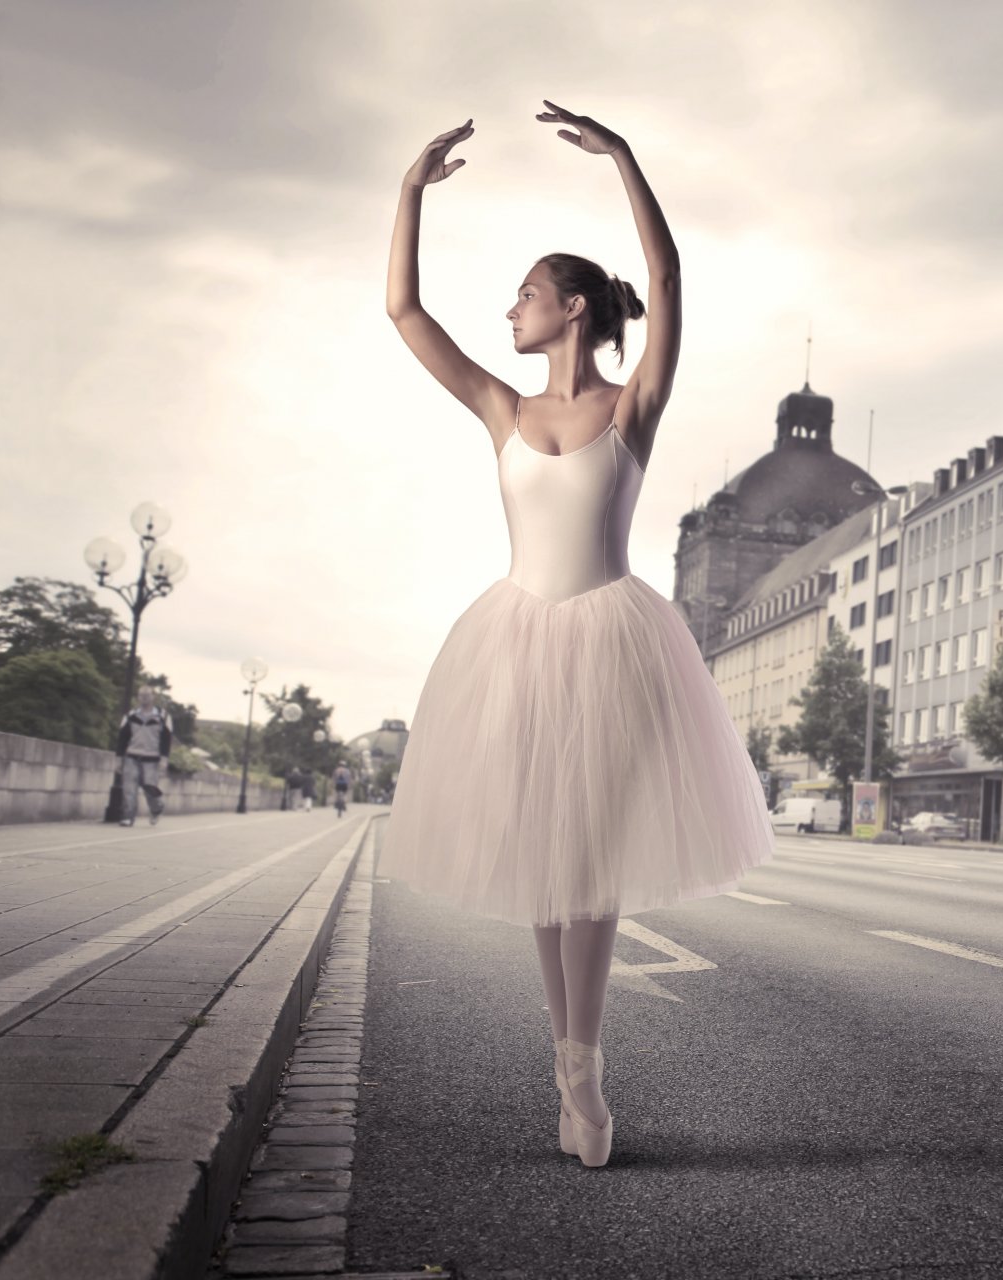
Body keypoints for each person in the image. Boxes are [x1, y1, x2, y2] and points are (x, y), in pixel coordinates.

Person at [378, 103, 776, 1169]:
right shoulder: (502, 409)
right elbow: (404, 312)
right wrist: (410, 191)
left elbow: (674, 276)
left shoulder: (632, 405)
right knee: (548, 866)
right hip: (514, 640)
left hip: (610, 639)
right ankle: (564, 1059)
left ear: (573, 310)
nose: (509, 310)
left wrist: (628, 161)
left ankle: (586, 1065)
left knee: (588, 859)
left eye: (524, 295)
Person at [115, 686, 172, 826]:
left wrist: (164, 759)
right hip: (132, 756)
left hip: (152, 759)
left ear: (153, 697)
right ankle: (128, 817)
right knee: (129, 788)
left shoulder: (163, 716)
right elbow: (122, 738)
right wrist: (118, 758)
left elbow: (167, 739)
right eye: (141, 695)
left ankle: (156, 808)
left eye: (147, 695)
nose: (144, 698)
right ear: (138, 697)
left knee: (150, 789)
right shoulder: (131, 715)